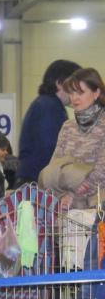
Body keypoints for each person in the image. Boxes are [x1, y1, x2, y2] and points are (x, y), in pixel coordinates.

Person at [47, 67, 105, 208]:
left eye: (80, 92)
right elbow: (54, 168)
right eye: (72, 93)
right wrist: (62, 195)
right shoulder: (68, 126)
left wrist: (74, 195)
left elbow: (102, 171)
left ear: (96, 92)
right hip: (65, 205)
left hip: (95, 207)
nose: (74, 98)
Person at [17, 59, 81, 185]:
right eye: (74, 85)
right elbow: (52, 149)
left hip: (32, 179)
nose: (77, 91)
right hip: (38, 182)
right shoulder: (50, 107)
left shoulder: (44, 104)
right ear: (59, 83)